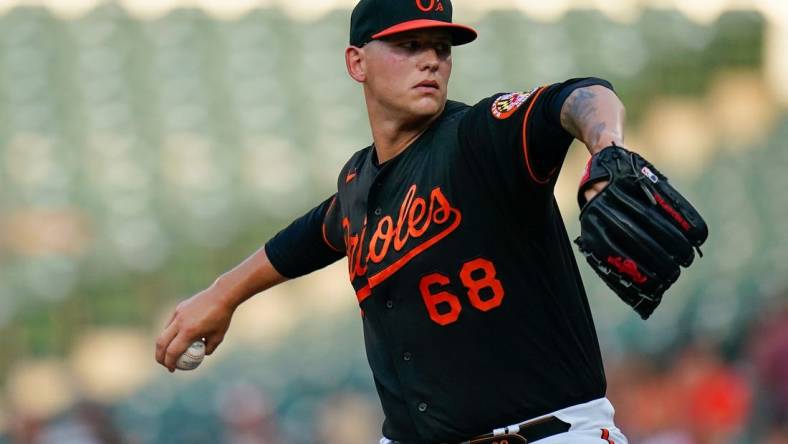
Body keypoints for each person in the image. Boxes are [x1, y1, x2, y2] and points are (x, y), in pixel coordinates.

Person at [155, 0, 631, 442]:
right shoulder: (358, 184)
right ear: (356, 63)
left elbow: (576, 97)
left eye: (441, 49)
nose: (431, 61)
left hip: (545, 433)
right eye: (408, 46)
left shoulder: (480, 140)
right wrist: (224, 293)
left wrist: (606, 144)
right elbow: (307, 238)